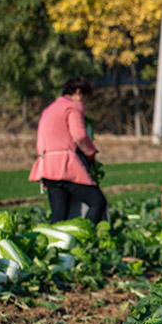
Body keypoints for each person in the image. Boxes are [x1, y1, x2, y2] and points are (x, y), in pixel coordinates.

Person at [29, 76, 108, 224]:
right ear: (78, 92)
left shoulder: (50, 108)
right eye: (85, 97)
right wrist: (90, 152)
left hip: (47, 167)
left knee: (59, 214)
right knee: (97, 202)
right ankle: (86, 235)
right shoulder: (73, 106)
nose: (84, 102)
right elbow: (79, 135)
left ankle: (56, 245)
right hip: (66, 166)